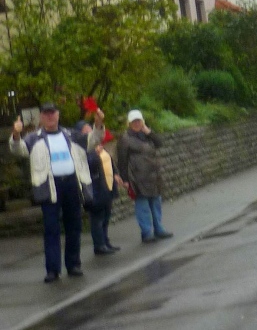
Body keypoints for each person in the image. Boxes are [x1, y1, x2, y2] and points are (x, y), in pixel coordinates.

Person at [9, 102, 105, 283]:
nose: (50, 116)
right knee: (51, 229)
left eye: (52, 113)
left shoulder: (72, 135)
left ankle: (73, 264)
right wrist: (16, 133)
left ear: (58, 115)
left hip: (72, 184)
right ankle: (52, 270)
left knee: (74, 226)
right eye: (46, 114)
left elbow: (93, 140)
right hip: (49, 186)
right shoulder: (34, 138)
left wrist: (98, 123)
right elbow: (18, 149)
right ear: (41, 117)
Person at [117, 110, 173, 243]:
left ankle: (158, 228)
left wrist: (149, 132)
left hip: (153, 176)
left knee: (156, 203)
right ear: (129, 123)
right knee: (143, 206)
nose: (137, 124)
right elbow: (122, 161)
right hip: (138, 177)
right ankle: (146, 232)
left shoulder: (147, 135)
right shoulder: (125, 139)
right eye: (134, 121)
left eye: (139, 121)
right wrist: (125, 179)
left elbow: (159, 143)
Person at [75, 121, 123, 255]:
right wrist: (94, 154)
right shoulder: (81, 149)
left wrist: (116, 174)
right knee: (97, 217)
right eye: (85, 130)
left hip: (106, 185)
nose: (89, 132)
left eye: (89, 129)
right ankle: (99, 245)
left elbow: (109, 161)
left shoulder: (97, 145)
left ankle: (105, 241)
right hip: (95, 188)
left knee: (106, 216)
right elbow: (87, 166)